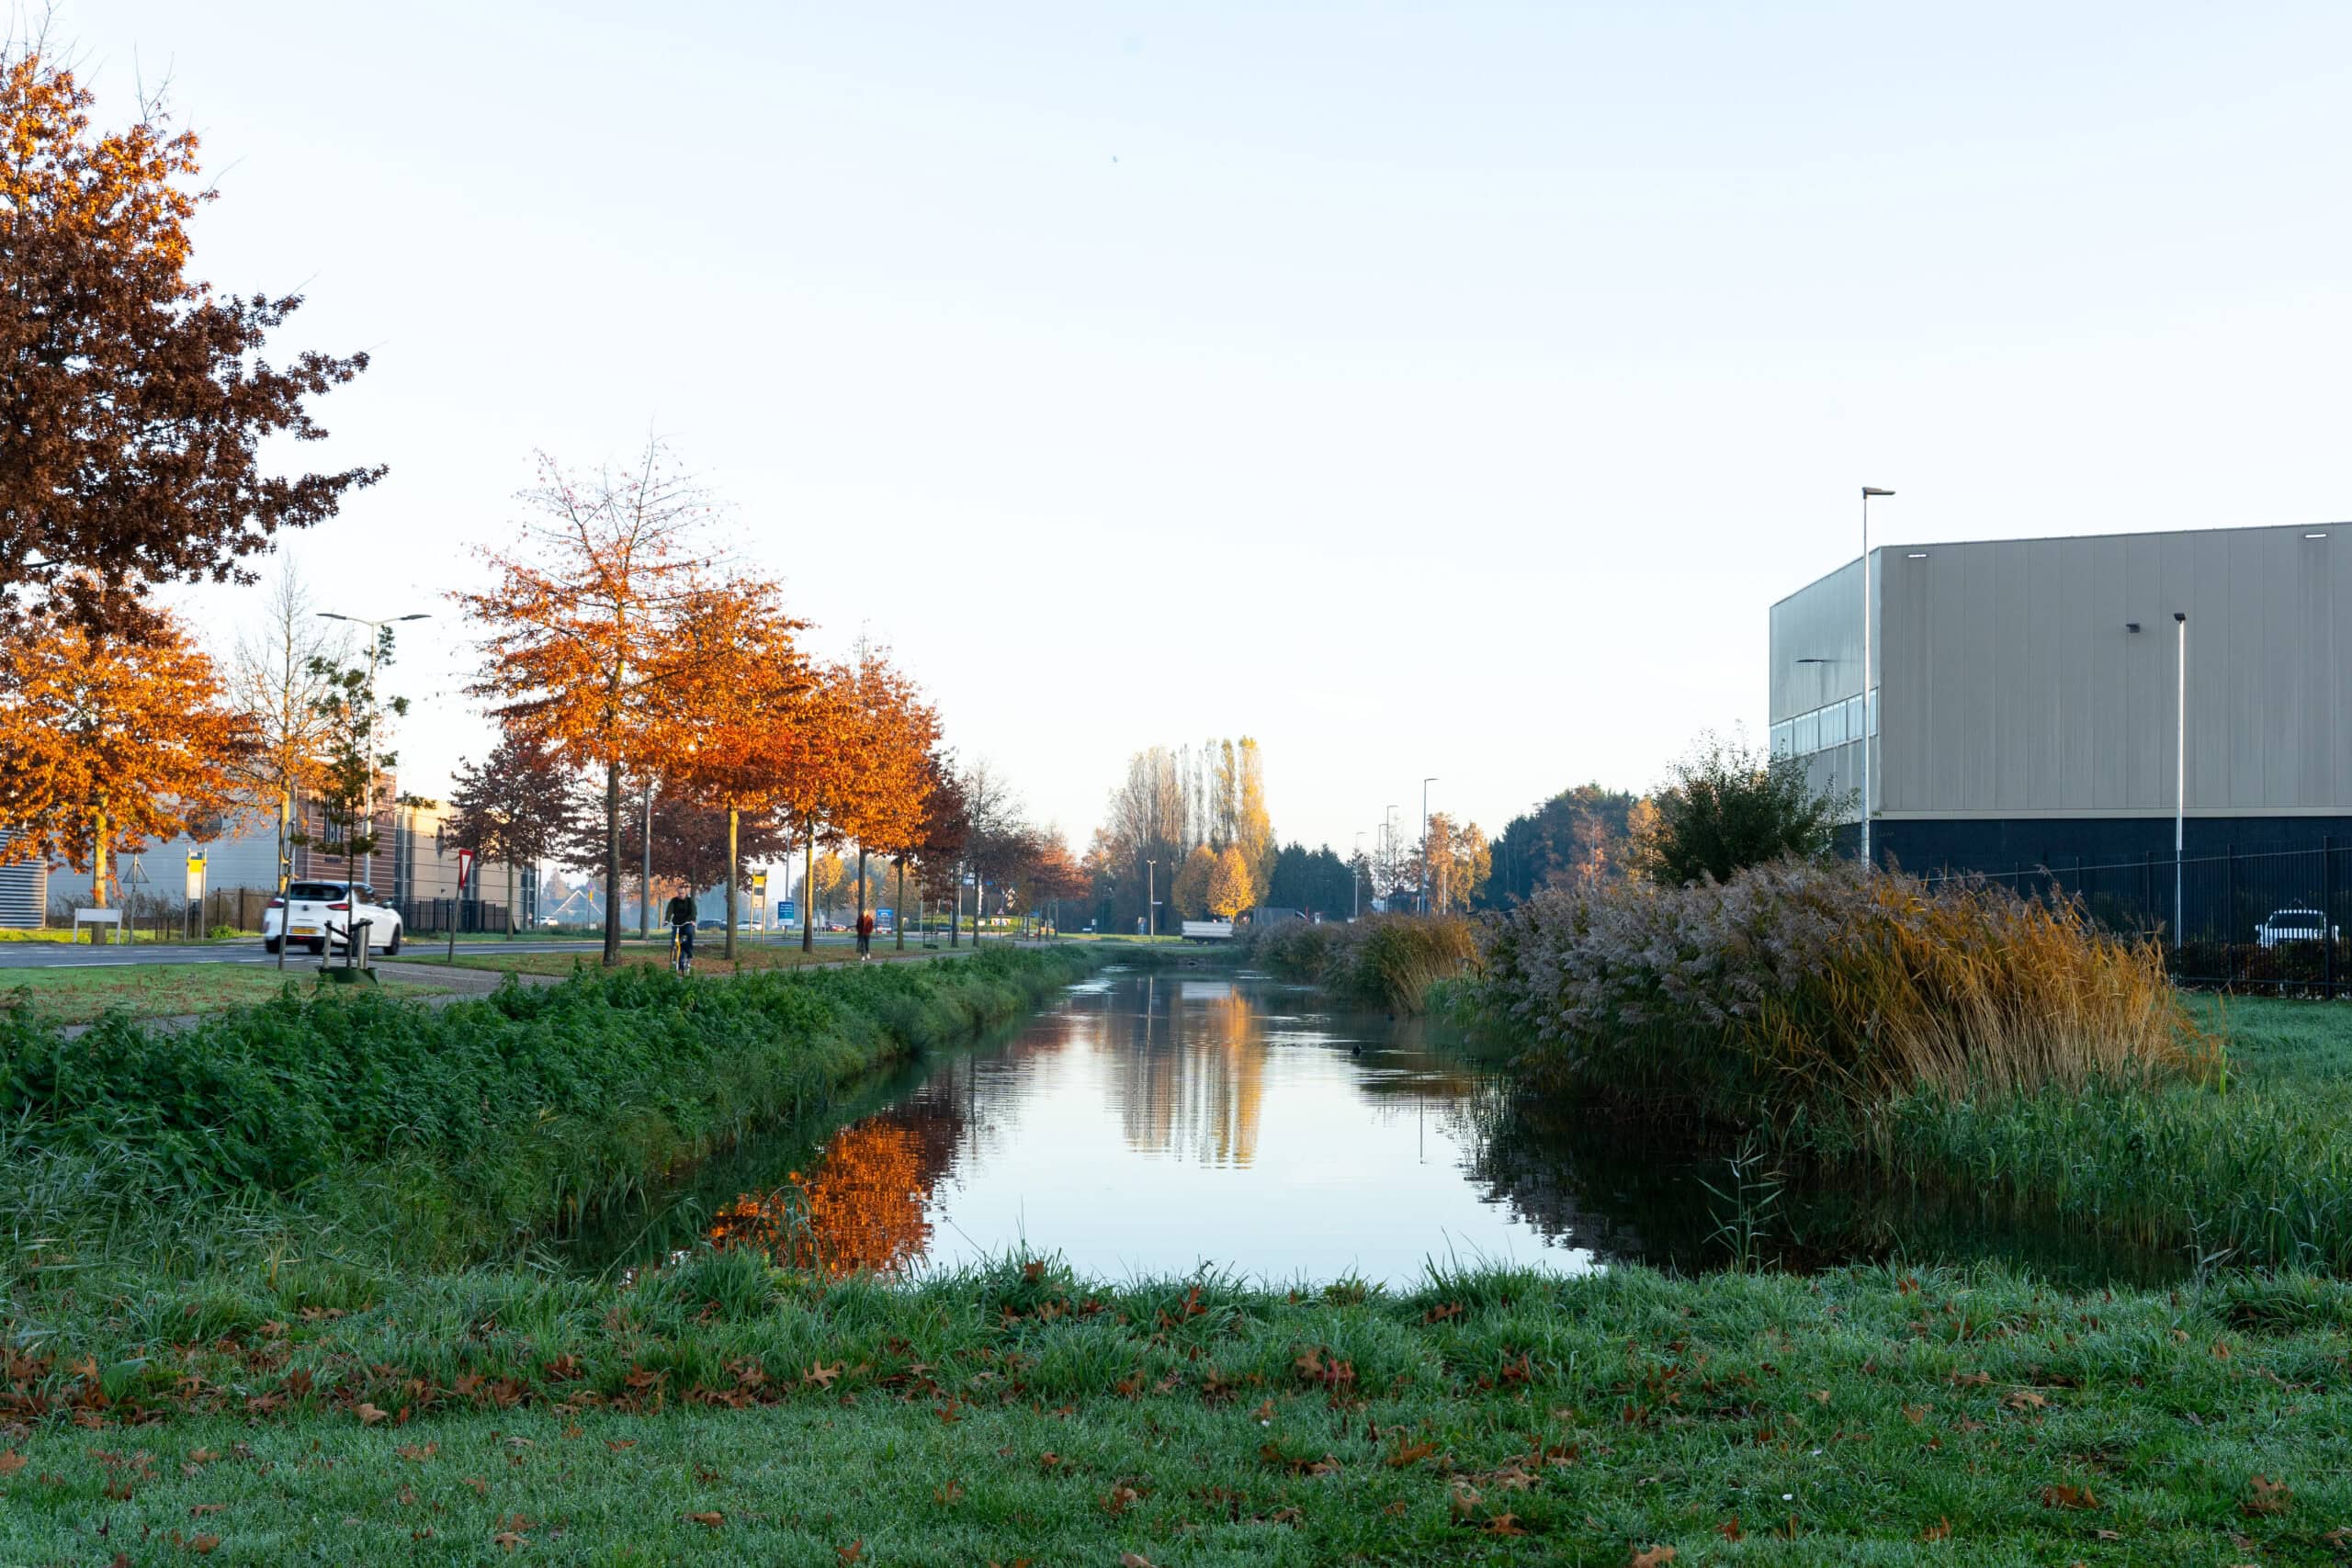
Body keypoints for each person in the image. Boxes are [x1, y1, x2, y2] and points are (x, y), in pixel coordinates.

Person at [664, 891, 697, 974]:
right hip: (676, 923)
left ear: (685, 894)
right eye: (679, 893)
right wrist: (667, 920)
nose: (680, 895)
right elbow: (669, 910)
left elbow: (693, 911)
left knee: (689, 933)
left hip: (687, 923)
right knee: (674, 942)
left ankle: (689, 951)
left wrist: (693, 920)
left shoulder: (690, 901)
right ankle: (676, 962)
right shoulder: (674, 901)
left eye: (682, 893)